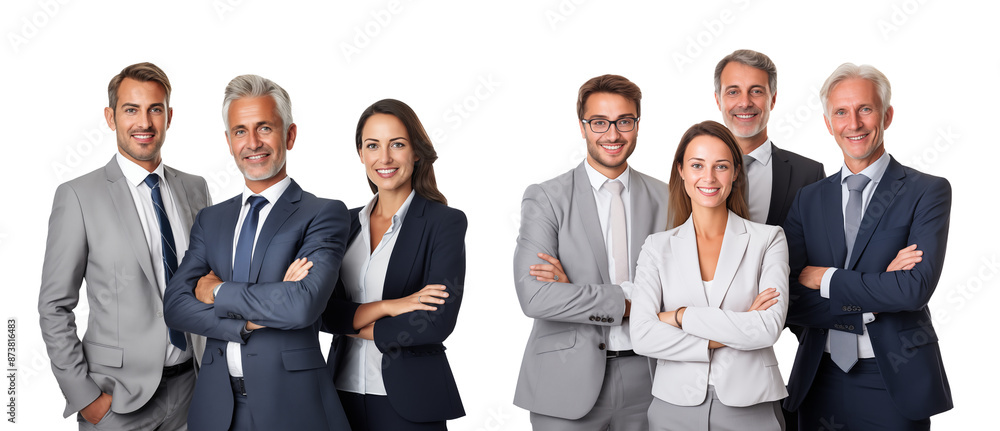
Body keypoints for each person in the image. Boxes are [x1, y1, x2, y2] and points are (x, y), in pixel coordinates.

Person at [163, 74, 351, 430]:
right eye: (240, 131)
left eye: (264, 128)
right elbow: (175, 307)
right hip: (217, 408)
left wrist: (216, 291)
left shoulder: (323, 214)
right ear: (229, 141)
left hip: (293, 407)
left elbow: (302, 305)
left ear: (289, 135)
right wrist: (248, 323)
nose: (252, 143)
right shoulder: (211, 219)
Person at [38, 62, 210, 430]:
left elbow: (208, 280)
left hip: (193, 391)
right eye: (131, 110)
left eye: (155, 109)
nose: (144, 123)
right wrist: (86, 400)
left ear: (169, 116)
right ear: (110, 116)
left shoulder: (195, 188)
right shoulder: (78, 196)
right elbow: (54, 306)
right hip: (117, 402)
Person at [782, 63, 953, 430]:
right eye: (841, 112)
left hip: (894, 379)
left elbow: (912, 289)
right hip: (819, 379)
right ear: (828, 124)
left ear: (886, 115)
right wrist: (876, 289)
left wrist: (827, 278)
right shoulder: (808, 199)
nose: (854, 123)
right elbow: (790, 298)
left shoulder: (927, 191)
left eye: (865, 109)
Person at [512, 74, 669, 430]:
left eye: (624, 122)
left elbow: (684, 291)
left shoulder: (669, 198)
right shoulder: (546, 198)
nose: (612, 134)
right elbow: (535, 297)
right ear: (582, 127)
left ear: (637, 125)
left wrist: (571, 290)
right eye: (599, 122)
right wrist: (627, 303)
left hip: (650, 379)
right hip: (564, 383)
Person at [629, 120, 788, 430]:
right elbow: (643, 336)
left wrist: (678, 316)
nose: (709, 177)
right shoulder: (656, 247)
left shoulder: (768, 240)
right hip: (673, 406)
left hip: (750, 404)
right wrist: (732, 330)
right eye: (697, 165)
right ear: (681, 171)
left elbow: (767, 328)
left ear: (736, 172)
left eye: (721, 166)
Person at [321, 99, 467, 430]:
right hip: (339, 396)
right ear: (361, 154)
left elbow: (435, 323)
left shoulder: (444, 223)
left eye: (397, 145)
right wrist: (392, 306)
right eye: (373, 145)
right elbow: (321, 313)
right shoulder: (342, 224)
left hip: (411, 399)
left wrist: (354, 324)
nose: (384, 158)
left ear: (416, 152)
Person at [713, 48, 826, 430]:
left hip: (787, 328)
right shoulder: (691, 172)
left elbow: (822, 257)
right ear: (718, 99)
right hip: (706, 343)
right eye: (733, 91)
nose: (744, 102)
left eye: (756, 91)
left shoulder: (810, 174)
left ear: (773, 99)